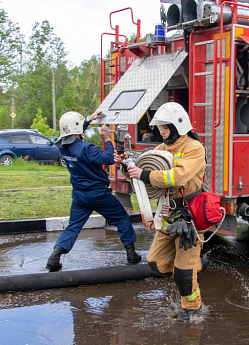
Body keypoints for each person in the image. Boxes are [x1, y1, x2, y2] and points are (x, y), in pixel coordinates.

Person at [115, 102, 207, 322]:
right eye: (160, 128)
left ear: (177, 125)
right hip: (167, 214)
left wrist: (145, 174)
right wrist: (126, 166)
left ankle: (193, 309)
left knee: (183, 273)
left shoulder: (194, 148)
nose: (161, 132)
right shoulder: (162, 149)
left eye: (165, 127)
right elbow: (142, 169)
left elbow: (178, 176)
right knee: (156, 264)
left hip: (188, 217)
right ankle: (196, 264)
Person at [46, 110, 141, 272]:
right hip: (98, 194)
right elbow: (109, 158)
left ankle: (55, 257)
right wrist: (107, 139)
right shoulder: (86, 148)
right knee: (121, 218)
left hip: (79, 196)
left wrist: (88, 120)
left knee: (73, 226)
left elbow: (72, 133)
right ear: (77, 130)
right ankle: (131, 254)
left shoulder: (62, 146)